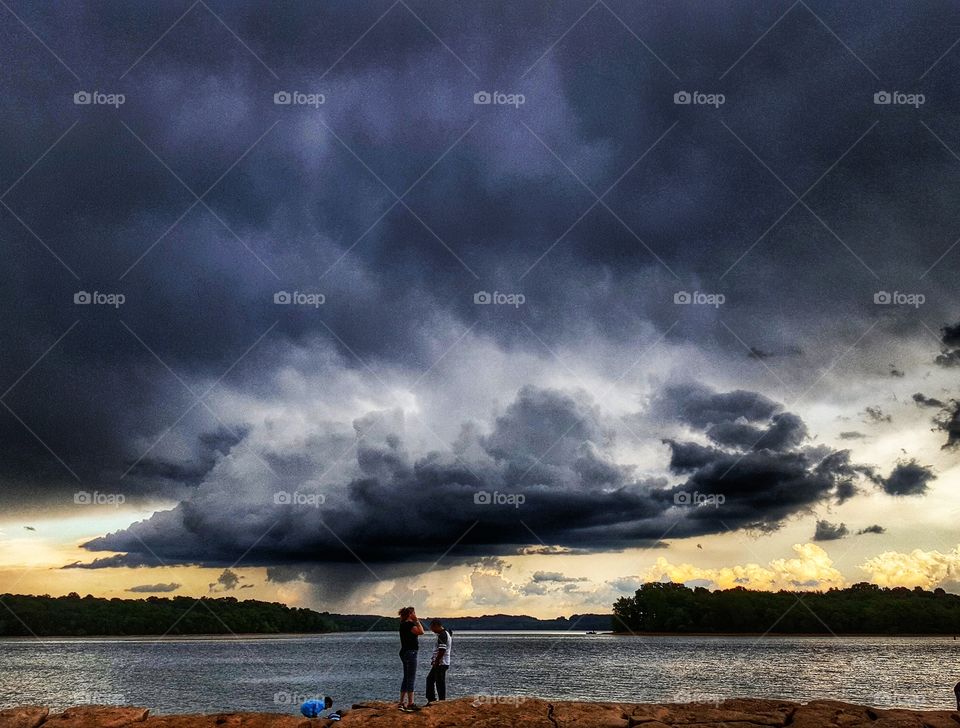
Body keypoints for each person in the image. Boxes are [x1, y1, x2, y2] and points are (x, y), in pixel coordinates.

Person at [398, 606, 424, 712]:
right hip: (411, 653)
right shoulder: (409, 624)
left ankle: (401, 702)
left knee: (406, 677)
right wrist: (416, 620)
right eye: (413, 613)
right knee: (411, 678)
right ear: (410, 614)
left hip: (404, 652)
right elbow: (421, 632)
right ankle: (410, 703)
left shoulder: (402, 625)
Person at [425, 619, 452, 705]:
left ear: (436, 626)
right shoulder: (444, 633)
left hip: (441, 663)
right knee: (430, 680)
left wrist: (436, 661)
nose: (432, 630)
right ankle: (432, 699)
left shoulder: (442, 635)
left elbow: (442, 650)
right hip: (441, 662)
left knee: (439, 682)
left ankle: (441, 701)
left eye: (432, 628)